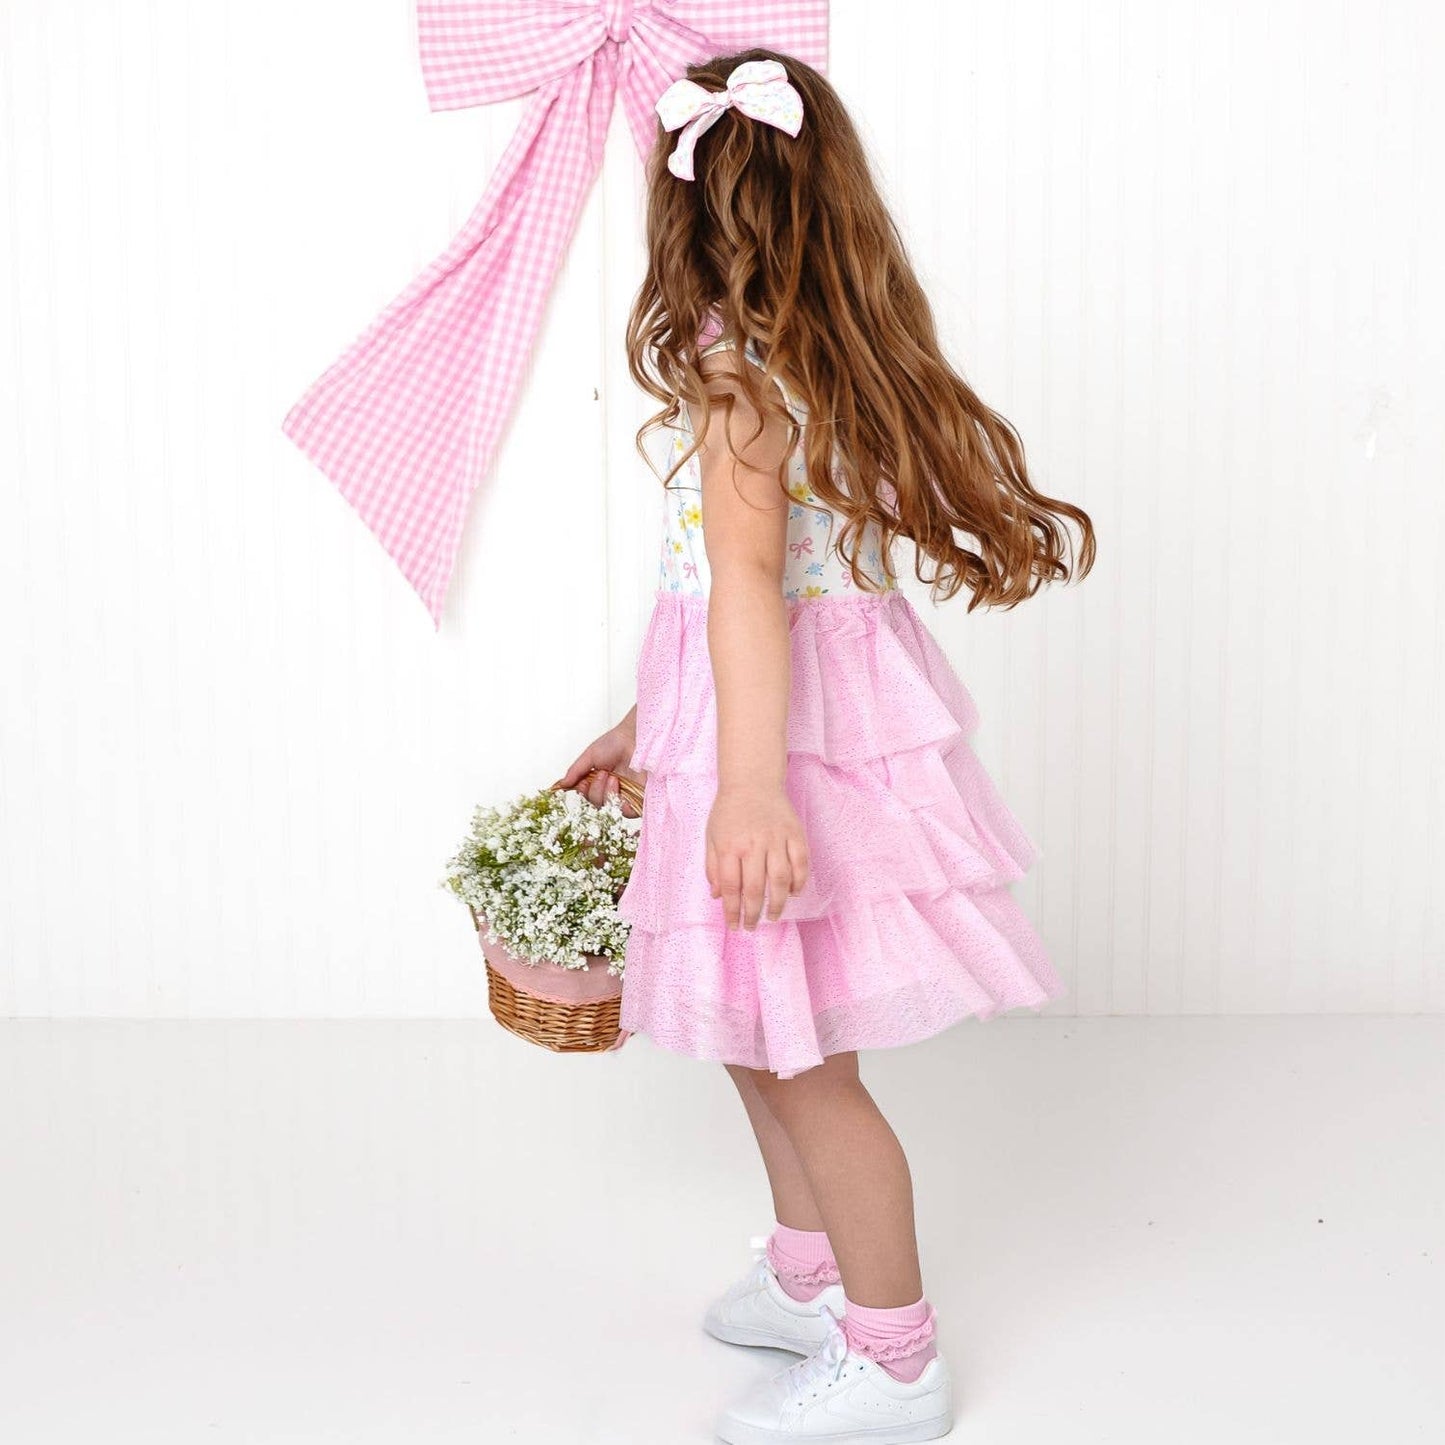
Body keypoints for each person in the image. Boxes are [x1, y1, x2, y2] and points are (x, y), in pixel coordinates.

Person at [560, 51, 1094, 1444]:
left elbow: (750, 590)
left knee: (806, 1063)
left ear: (683, 228)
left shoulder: (744, 386)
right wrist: (648, 728)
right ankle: (808, 1274)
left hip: (782, 758)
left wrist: (738, 785)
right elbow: (734, 594)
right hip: (777, 729)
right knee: (760, 1032)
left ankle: (893, 1354)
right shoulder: (821, 365)